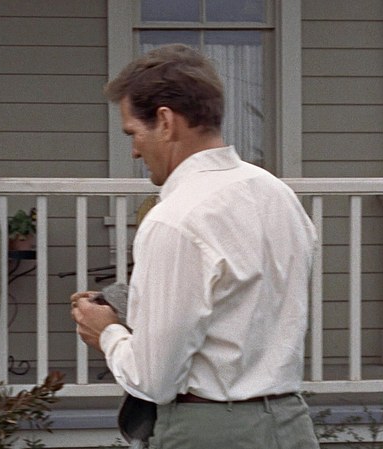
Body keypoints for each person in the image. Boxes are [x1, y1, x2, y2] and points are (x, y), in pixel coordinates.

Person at [70, 44, 320, 449]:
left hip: (209, 430)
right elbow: (239, 310)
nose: (134, 150)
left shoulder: (176, 219)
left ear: (165, 122)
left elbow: (154, 379)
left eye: (133, 133)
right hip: (290, 424)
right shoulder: (278, 196)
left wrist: (107, 333)